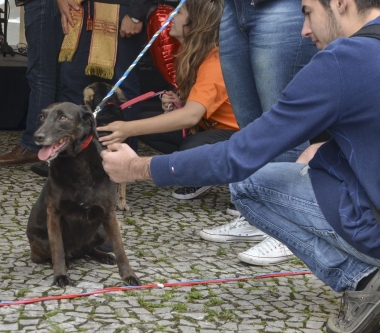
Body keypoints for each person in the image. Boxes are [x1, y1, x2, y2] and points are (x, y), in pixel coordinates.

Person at [100, 0, 380, 330]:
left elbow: (238, 157)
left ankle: (363, 281)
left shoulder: (343, 60)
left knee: (249, 183)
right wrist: (324, 149)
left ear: (340, 3)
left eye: (306, 12)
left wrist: (139, 168)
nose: (303, 30)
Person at [199, 0, 319, 266]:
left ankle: (290, 227)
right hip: (234, 8)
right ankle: (258, 215)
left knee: (285, 128)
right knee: (250, 127)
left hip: (282, 7)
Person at [97, 0, 239, 200]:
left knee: (191, 147)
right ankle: (199, 171)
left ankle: (233, 180)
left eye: (179, 12)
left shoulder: (213, 61)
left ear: (194, 25)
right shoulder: (192, 54)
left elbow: (191, 116)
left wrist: (128, 129)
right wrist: (176, 103)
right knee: (146, 120)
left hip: (236, 136)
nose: (171, 15)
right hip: (209, 130)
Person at [57, 0, 154, 153]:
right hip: (79, 10)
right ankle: (68, 155)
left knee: (124, 90)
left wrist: (136, 14)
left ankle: (124, 157)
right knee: (71, 86)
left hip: (121, 10)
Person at [0, 0, 63, 165]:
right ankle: (50, 144)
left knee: (41, 76)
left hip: (42, 4)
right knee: (52, 76)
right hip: (49, 5)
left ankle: (33, 145)